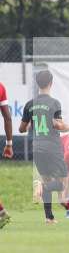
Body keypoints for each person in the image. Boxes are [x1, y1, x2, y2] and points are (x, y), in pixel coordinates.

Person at [20, 70, 69, 224]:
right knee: (62, 182)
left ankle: (49, 217)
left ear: (37, 83)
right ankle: (41, 186)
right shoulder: (54, 103)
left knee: (47, 178)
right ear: (51, 83)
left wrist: (31, 123)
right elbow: (57, 124)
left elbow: (22, 129)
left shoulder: (29, 104)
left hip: (37, 147)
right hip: (52, 147)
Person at [0, 81, 13, 229]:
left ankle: (2, 212)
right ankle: (2, 212)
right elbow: (7, 117)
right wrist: (9, 143)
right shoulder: (1, 86)